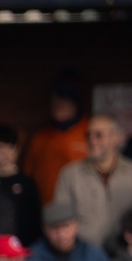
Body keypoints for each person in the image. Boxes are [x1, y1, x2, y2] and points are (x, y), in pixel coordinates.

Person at [57, 114, 132, 249]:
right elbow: (61, 219)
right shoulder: (70, 174)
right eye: (88, 135)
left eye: (98, 135)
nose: (92, 140)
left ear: (116, 138)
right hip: (83, 254)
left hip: (125, 257)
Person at [25, 75, 87, 205]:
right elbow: (27, 177)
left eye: (63, 98)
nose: (57, 104)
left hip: (82, 209)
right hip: (48, 211)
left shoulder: (90, 131)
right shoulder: (40, 137)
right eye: (53, 99)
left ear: (75, 102)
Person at [0, 125, 46, 254]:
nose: (5, 153)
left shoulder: (27, 183)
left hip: (23, 248)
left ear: (17, 150)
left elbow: (35, 221)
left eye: (10, 147)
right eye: (0, 147)